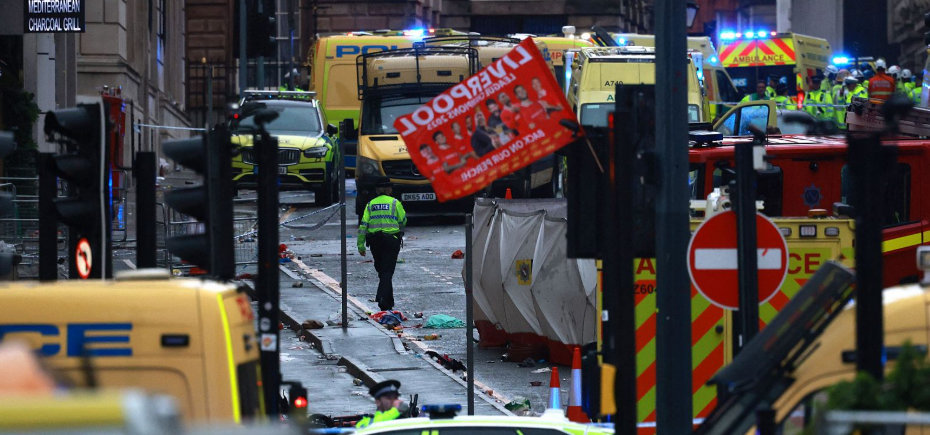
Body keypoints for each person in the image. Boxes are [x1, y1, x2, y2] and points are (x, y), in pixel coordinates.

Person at [358, 178, 407, 312]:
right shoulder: (395, 203)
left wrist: (360, 245)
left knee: (382, 271)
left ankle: (387, 302)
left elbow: (363, 225)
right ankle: (381, 298)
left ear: (377, 190)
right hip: (391, 240)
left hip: (375, 241)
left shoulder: (370, 204)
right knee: (387, 272)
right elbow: (403, 220)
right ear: (389, 189)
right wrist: (399, 231)